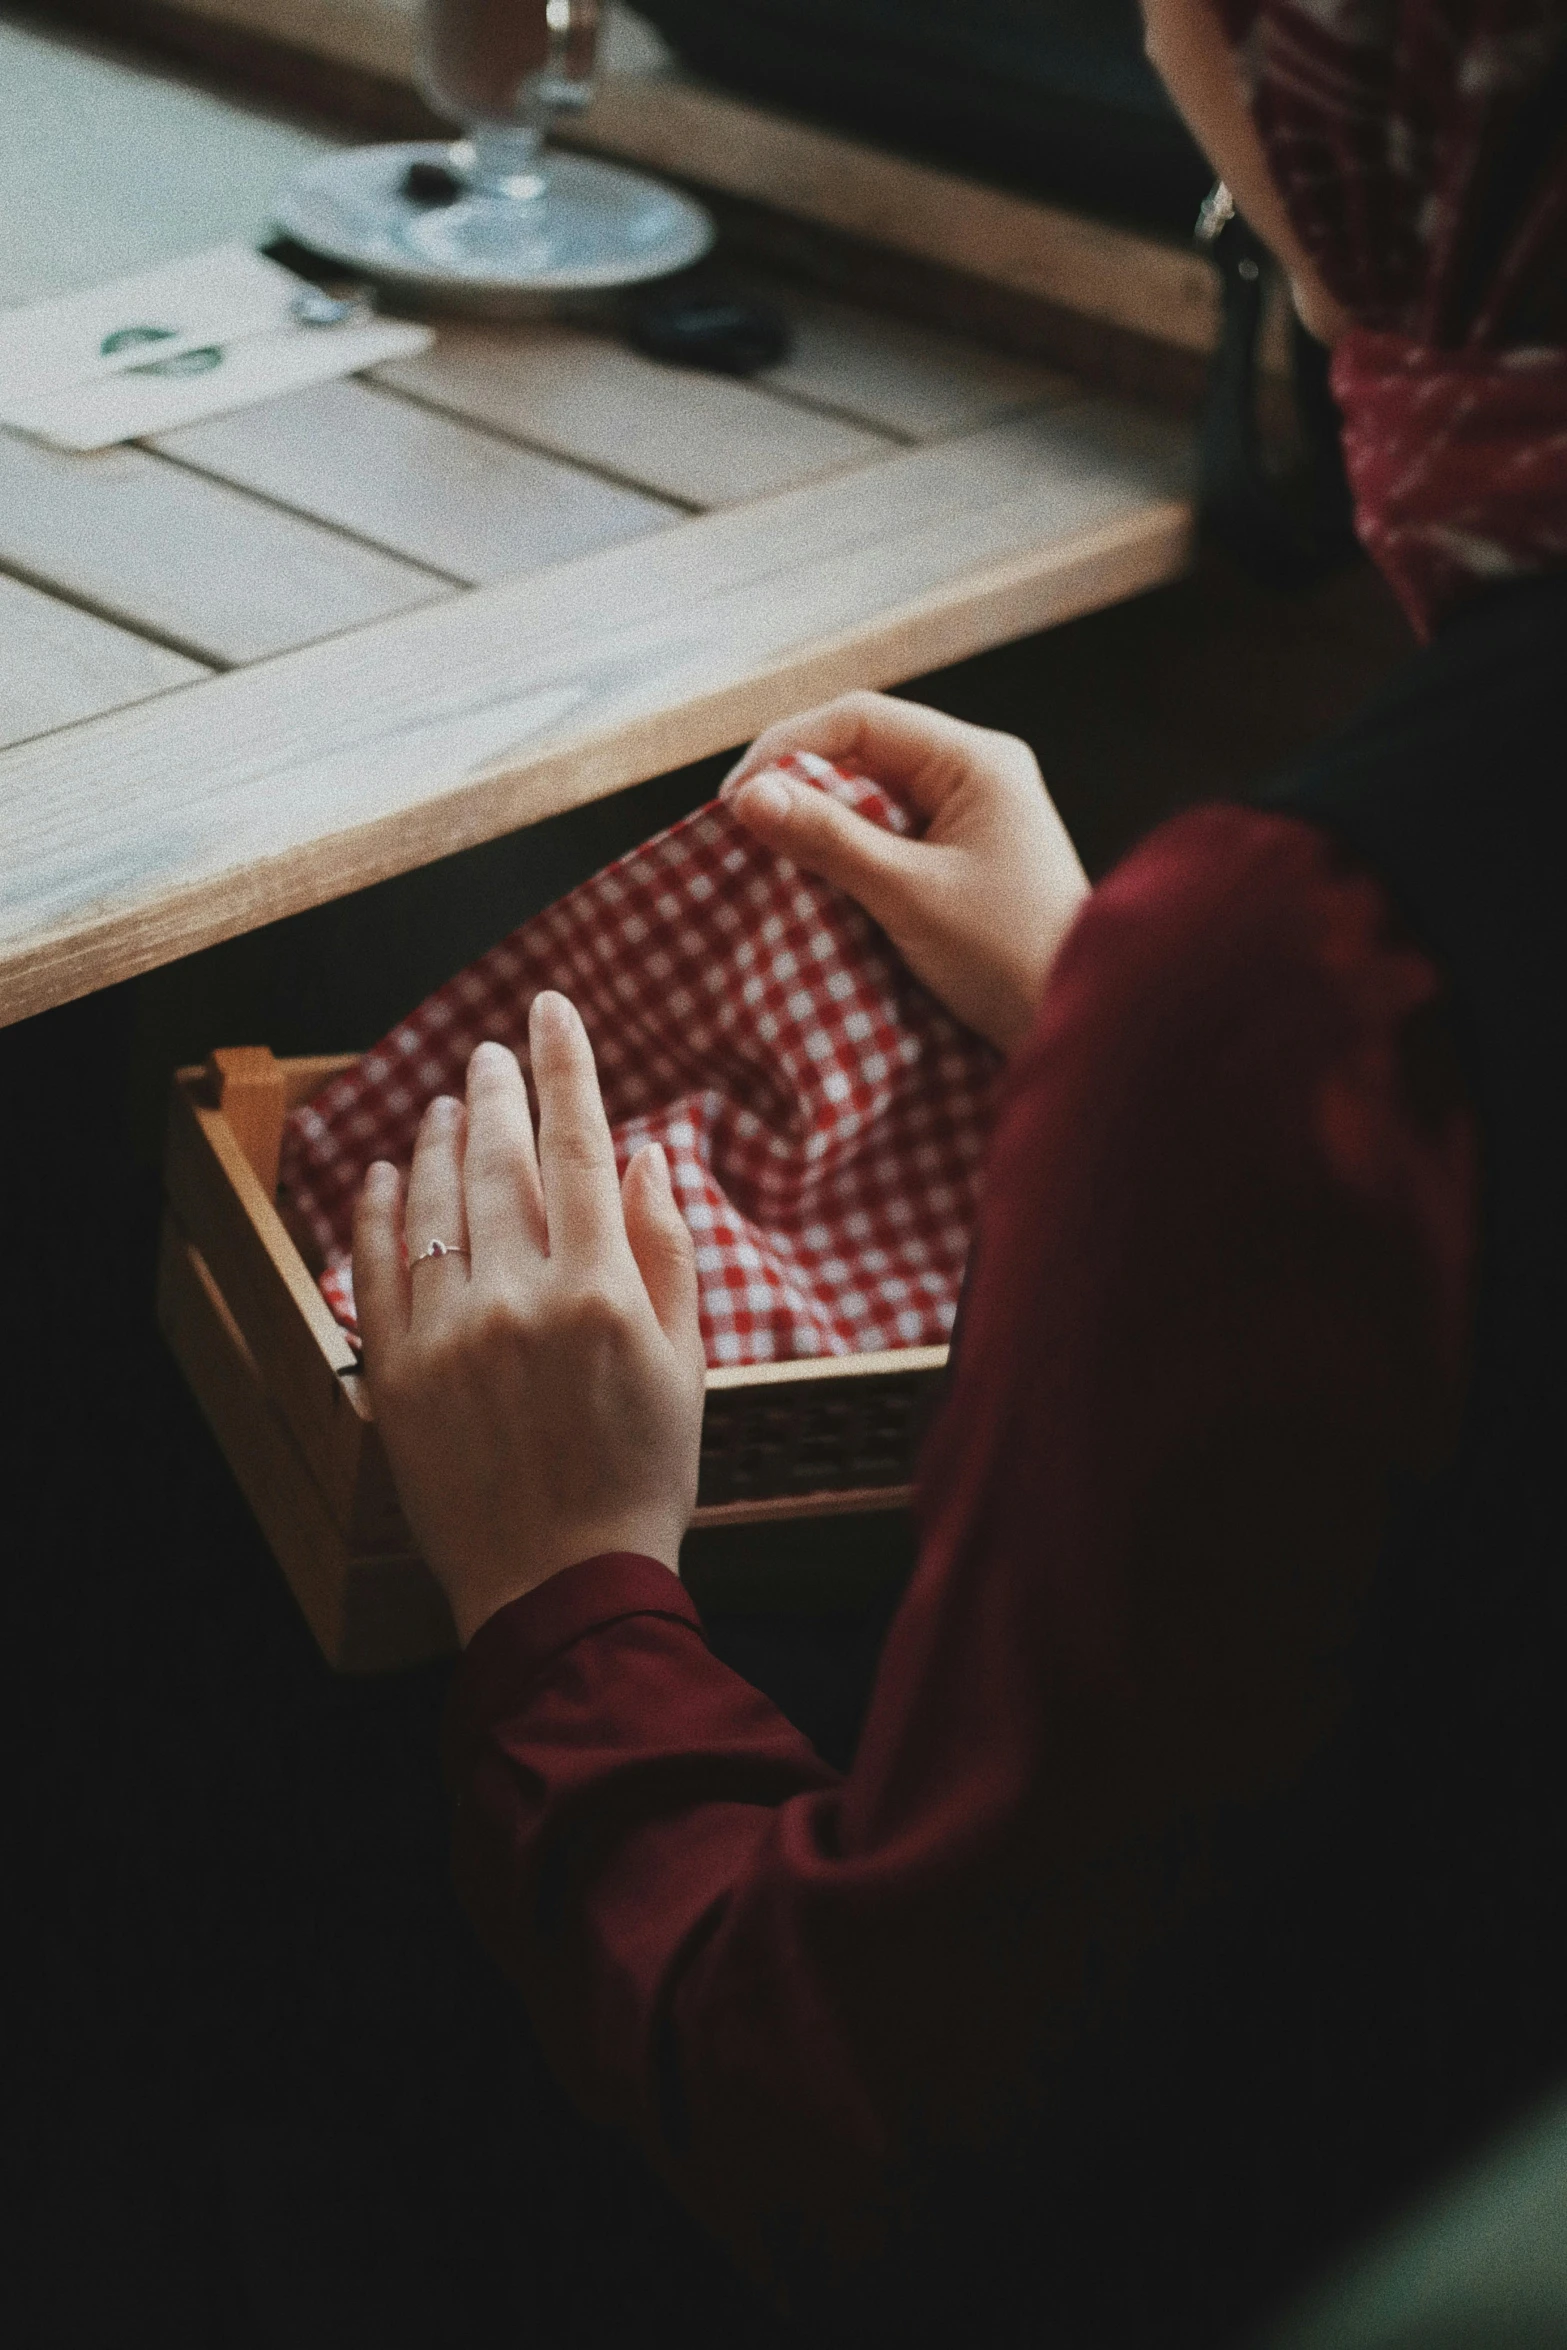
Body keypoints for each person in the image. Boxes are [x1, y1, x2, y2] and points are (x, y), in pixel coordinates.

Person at [350, 4, 1567, 2342]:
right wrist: (1153, 997)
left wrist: (566, 1580)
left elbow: (860, 2119)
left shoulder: (1324, 987)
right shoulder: (1318, 985)